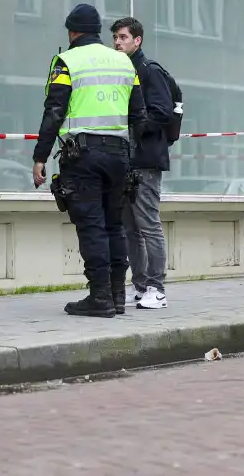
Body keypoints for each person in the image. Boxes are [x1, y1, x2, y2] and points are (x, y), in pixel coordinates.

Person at [32, 4, 147, 317]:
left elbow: (54, 111)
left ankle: (99, 297)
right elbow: (139, 115)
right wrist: (131, 157)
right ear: (98, 31)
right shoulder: (124, 63)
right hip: (119, 156)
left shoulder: (67, 61)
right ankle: (117, 296)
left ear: (72, 31)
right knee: (115, 226)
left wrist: (40, 157)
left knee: (92, 226)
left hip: (83, 156)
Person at [110, 17, 172, 311]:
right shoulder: (124, 71)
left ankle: (157, 289)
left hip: (145, 160)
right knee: (130, 227)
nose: (118, 42)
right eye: (115, 38)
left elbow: (162, 112)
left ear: (138, 41)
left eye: (123, 37)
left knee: (148, 225)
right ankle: (140, 285)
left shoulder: (148, 71)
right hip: (127, 160)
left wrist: (135, 126)